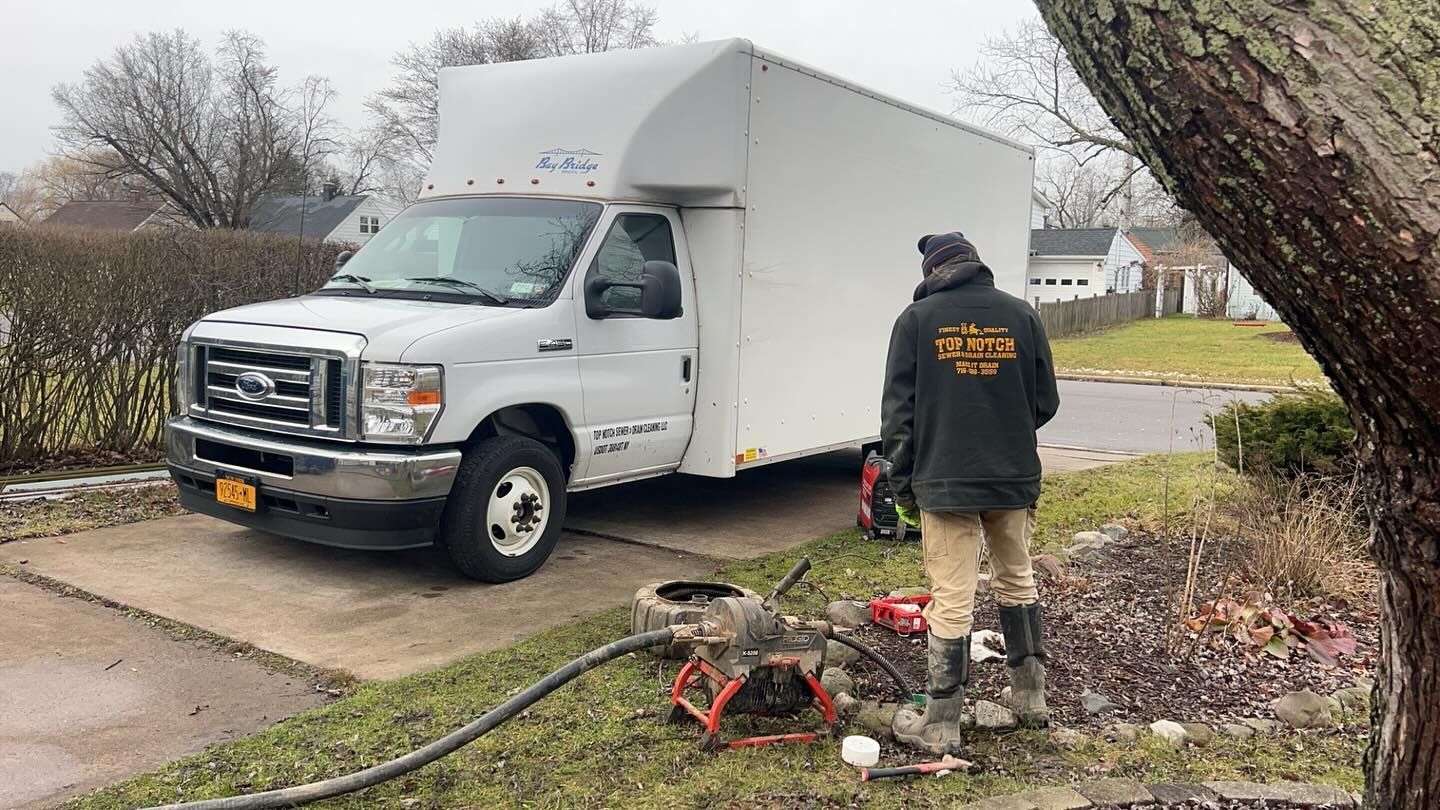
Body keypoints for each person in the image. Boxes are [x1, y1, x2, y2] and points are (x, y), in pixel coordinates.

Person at [882, 232, 1060, 754]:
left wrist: (903, 485)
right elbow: (1045, 402)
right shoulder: (1022, 315)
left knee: (952, 596)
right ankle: (1031, 701)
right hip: (1012, 478)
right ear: (975, 265)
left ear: (932, 272)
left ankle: (941, 722)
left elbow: (899, 417)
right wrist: (1004, 431)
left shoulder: (915, 322)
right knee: (1017, 578)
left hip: (944, 481)